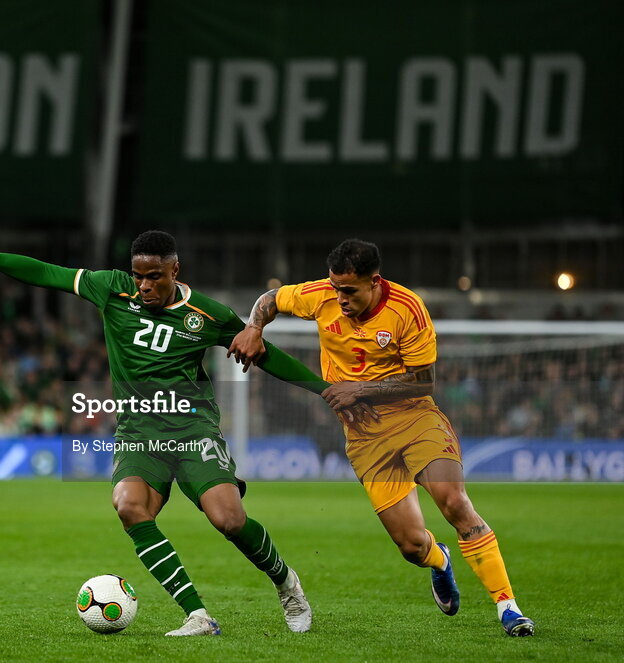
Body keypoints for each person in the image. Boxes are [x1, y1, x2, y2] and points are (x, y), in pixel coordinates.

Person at [0, 230, 366, 637]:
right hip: (139, 431)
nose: (144, 286)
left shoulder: (208, 315)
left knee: (228, 519)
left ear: (175, 271)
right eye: (139, 277)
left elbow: (265, 354)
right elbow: (46, 272)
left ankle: (287, 583)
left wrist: (325, 391)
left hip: (192, 429)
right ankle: (197, 615)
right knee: (129, 506)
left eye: (154, 277)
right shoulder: (111, 288)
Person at [228, 238, 535, 637]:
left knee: (454, 501)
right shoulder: (321, 295)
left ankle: (508, 608)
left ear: (374, 281)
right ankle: (440, 561)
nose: (339, 298)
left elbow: (424, 382)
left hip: (415, 420)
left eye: (349, 290)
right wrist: (254, 326)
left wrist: (361, 390)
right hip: (364, 437)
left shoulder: (407, 309)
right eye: (335, 287)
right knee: (411, 547)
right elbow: (271, 298)